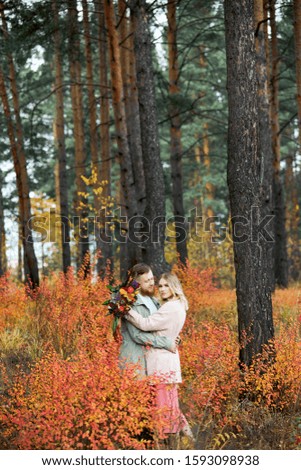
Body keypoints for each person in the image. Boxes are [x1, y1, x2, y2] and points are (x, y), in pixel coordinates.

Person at [125, 272, 193, 440]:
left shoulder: (171, 307)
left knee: (165, 409)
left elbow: (145, 324)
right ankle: (191, 440)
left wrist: (126, 310)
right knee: (171, 406)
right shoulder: (178, 304)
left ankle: (169, 445)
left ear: (174, 287)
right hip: (168, 362)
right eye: (160, 285)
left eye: (166, 285)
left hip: (162, 363)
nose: (161, 289)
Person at [119, 263, 177, 378]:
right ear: (137, 284)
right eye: (146, 281)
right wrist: (165, 342)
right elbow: (137, 335)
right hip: (135, 362)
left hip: (152, 360)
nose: (151, 283)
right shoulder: (129, 303)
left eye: (152, 279)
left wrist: (173, 337)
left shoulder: (153, 300)